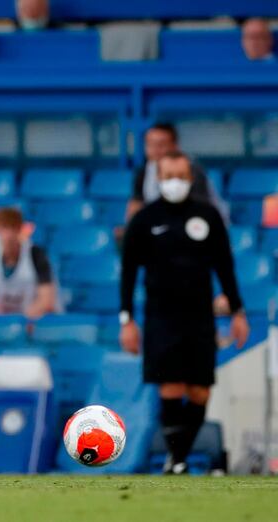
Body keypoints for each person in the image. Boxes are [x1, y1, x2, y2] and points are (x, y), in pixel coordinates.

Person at [120, 151, 250, 475]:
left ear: (190, 179)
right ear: (158, 178)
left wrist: (237, 311)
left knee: (200, 390)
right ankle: (177, 460)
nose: (173, 182)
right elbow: (128, 272)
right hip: (161, 317)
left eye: (179, 175)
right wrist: (126, 319)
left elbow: (224, 266)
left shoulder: (207, 216)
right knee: (171, 386)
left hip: (199, 318)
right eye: (167, 176)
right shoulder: (145, 219)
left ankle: (177, 455)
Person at [0, 207, 59, 319]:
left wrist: (28, 317)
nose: (8, 235)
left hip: (33, 322)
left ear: (19, 229)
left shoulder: (36, 254)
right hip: (1, 323)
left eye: (12, 228)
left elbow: (47, 298)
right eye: (4, 228)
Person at [126, 122, 225, 223]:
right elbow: (135, 205)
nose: (155, 149)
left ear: (175, 146)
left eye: (161, 144)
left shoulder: (191, 169)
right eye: (150, 144)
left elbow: (200, 210)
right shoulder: (143, 172)